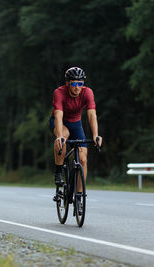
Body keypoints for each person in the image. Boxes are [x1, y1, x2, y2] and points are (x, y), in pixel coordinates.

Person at [49, 67, 102, 211]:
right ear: (67, 84)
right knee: (64, 137)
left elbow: (92, 115)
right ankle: (59, 170)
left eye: (80, 83)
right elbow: (59, 116)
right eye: (74, 84)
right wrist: (59, 136)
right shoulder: (59, 93)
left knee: (83, 159)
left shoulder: (87, 92)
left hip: (76, 125)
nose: (77, 87)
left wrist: (95, 135)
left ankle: (79, 196)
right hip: (60, 123)